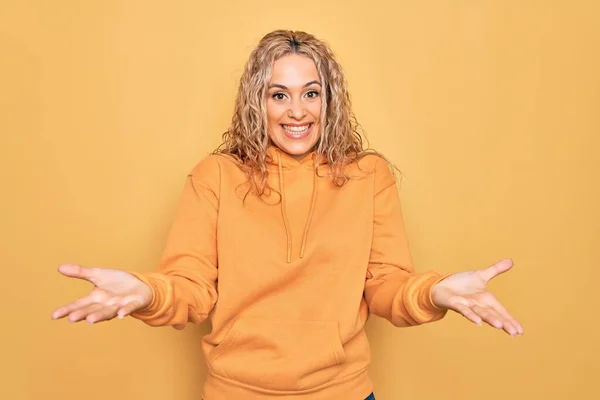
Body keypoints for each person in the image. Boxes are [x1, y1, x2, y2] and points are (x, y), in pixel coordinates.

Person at [51, 30, 523, 400]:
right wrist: (146, 291)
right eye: (279, 95)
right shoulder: (215, 176)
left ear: (329, 100)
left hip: (343, 394)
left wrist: (435, 290)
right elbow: (190, 288)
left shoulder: (368, 176)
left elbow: (386, 285)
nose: (296, 111)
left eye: (310, 93)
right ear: (258, 102)